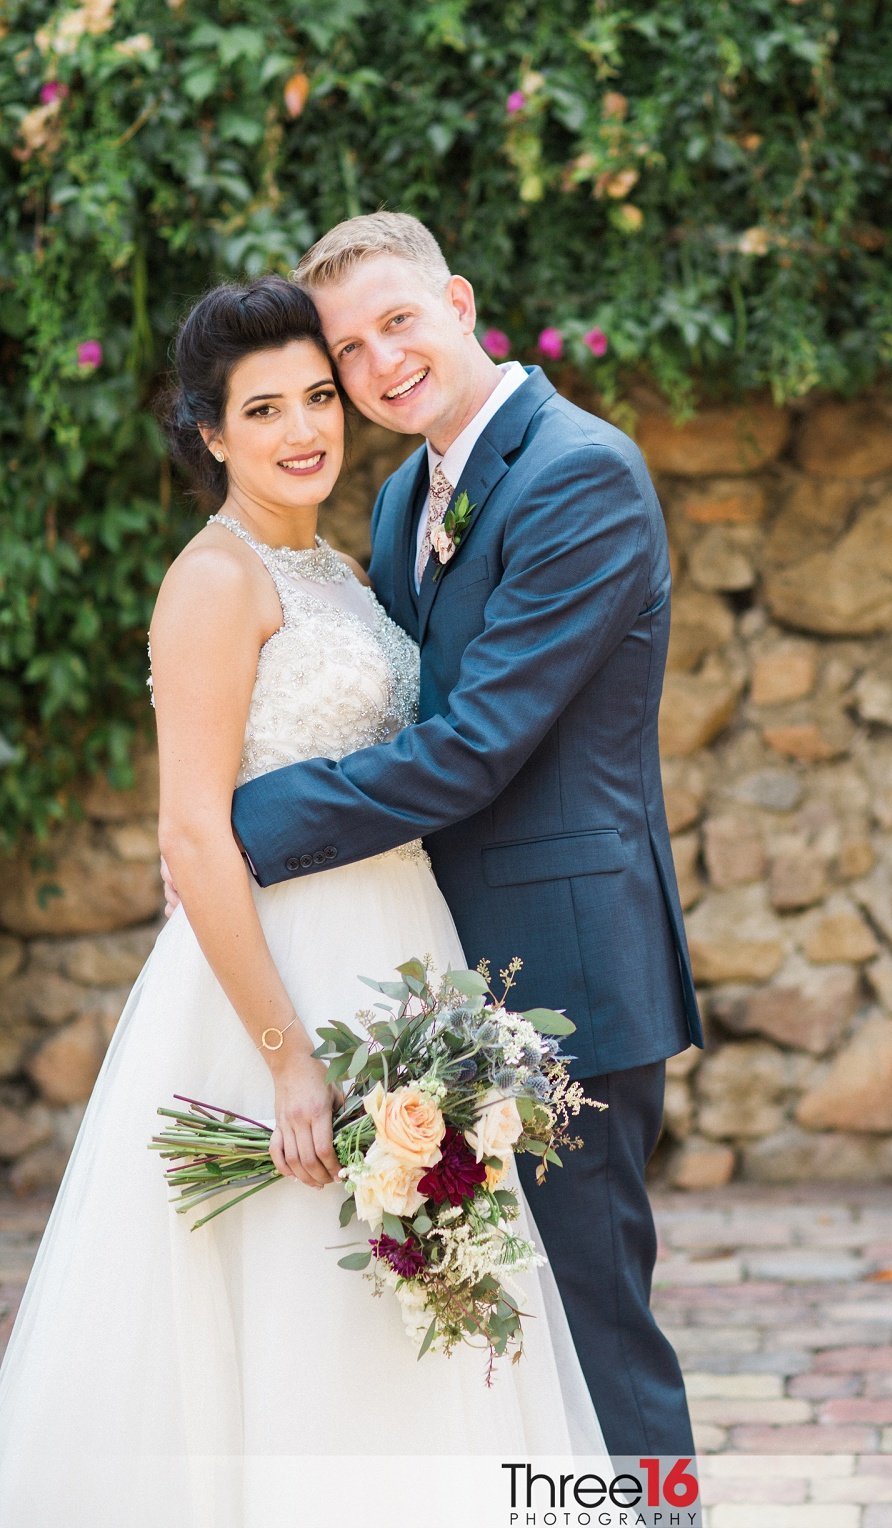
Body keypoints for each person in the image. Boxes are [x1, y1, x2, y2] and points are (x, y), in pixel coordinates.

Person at [0, 277, 605, 1528]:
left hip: (400, 959)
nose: (303, 429)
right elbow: (193, 833)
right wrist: (285, 1061)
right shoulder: (215, 582)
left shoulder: (338, 562)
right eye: (262, 409)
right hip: (275, 992)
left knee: (408, 1311)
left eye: (318, 397)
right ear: (210, 433)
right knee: (299, 1304)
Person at [224, 211, 704, 1461]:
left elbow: (478, 744)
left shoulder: (579, 475)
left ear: (459, 300)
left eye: (400, 321)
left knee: (599, 1336)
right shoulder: (402, 499)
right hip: (445, 972)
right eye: (351, 348)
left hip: (569, 973)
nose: (383, 364)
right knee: (499, 1349)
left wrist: (249, 822)